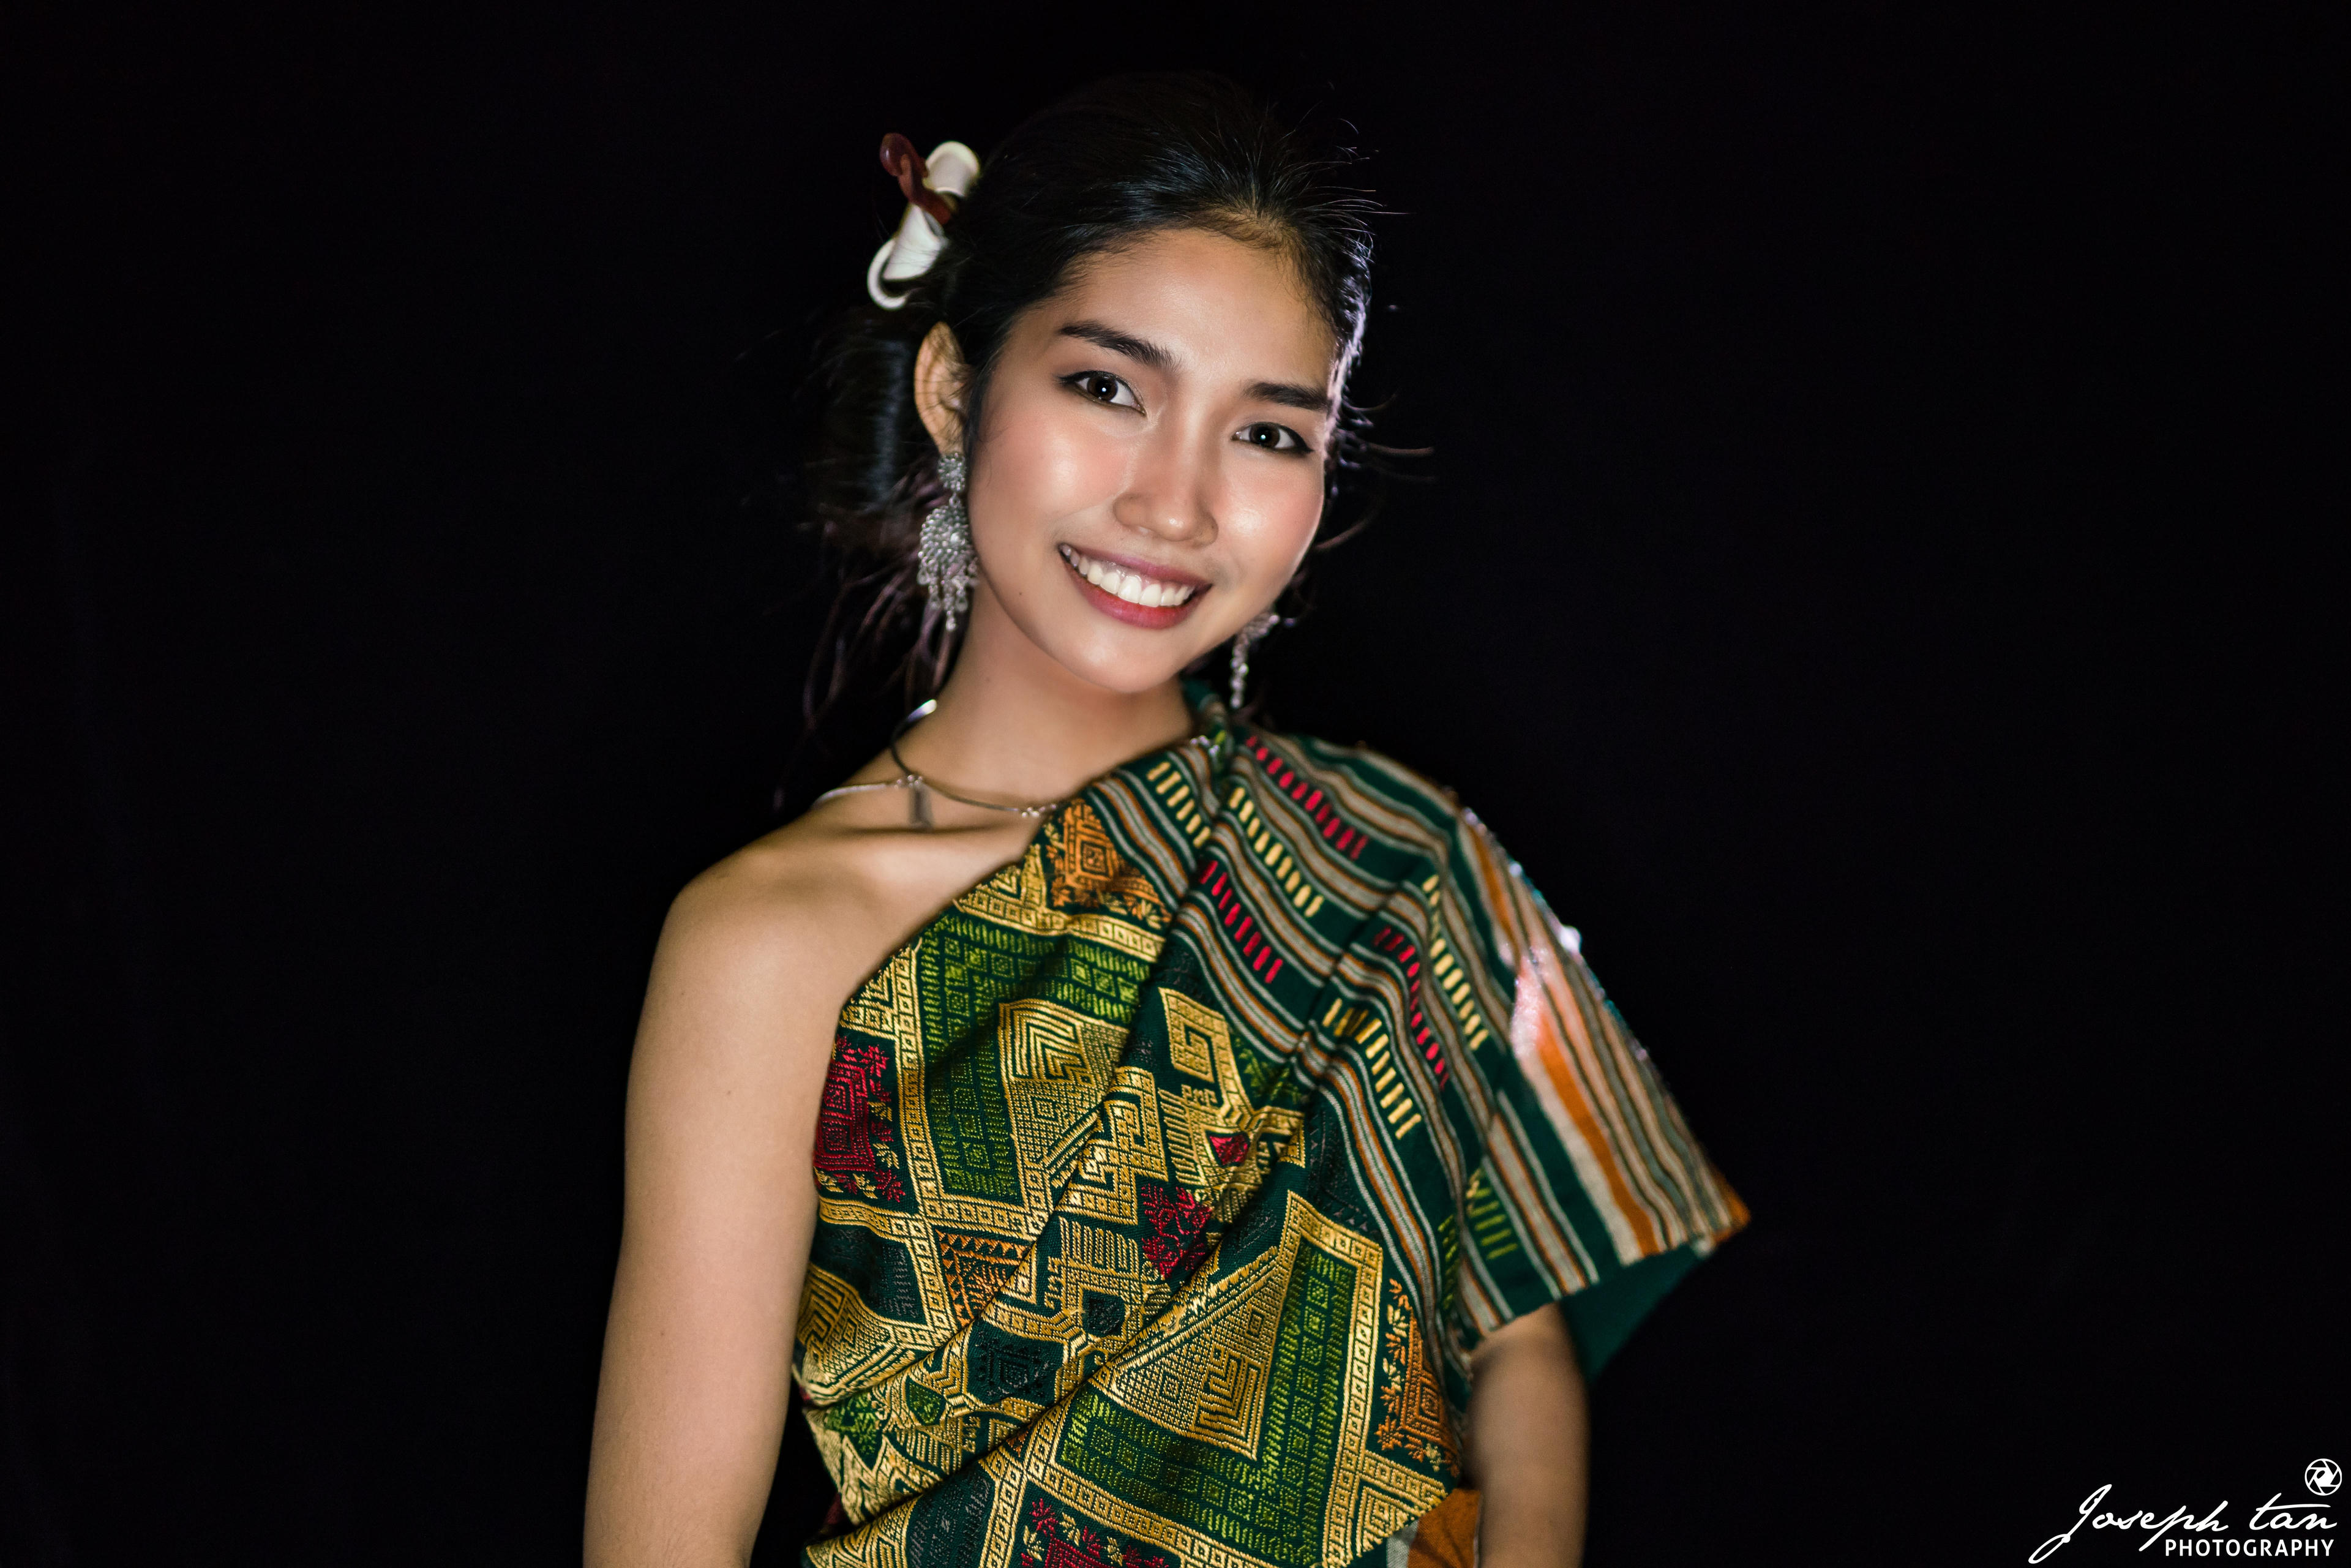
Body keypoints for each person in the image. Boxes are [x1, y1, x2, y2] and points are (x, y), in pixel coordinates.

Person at [585, 74, 1745, 1568]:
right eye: (1108, 389)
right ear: (955, 390)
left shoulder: (1393, 858)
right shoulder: (764, 947)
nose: (1178, 505)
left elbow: (1515, 1345)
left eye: (1268, 434)